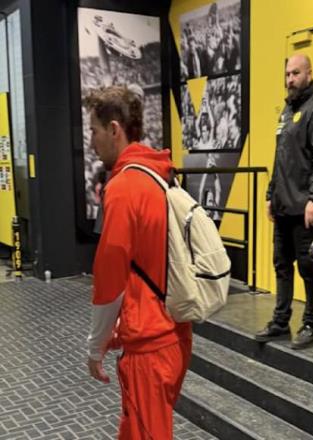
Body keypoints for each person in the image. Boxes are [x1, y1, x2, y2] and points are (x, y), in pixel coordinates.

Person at [85, 86, 192, 439]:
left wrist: (95, 347)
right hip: (173, 333)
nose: (92, 142)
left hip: (149, 348)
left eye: (94, 131)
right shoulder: (159, 174)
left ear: (114, 129)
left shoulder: (124, 187)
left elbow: (109, 280)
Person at [255, 54, 313, 350]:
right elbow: (280, 158)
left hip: (304, 207)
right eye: (287, 74)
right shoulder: (288, 110)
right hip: (283, 204)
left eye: (296, 73)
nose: (290, 79)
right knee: (282, 265)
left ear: (309, 74)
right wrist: (270, 194)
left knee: (308, 267)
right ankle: (280, 322)